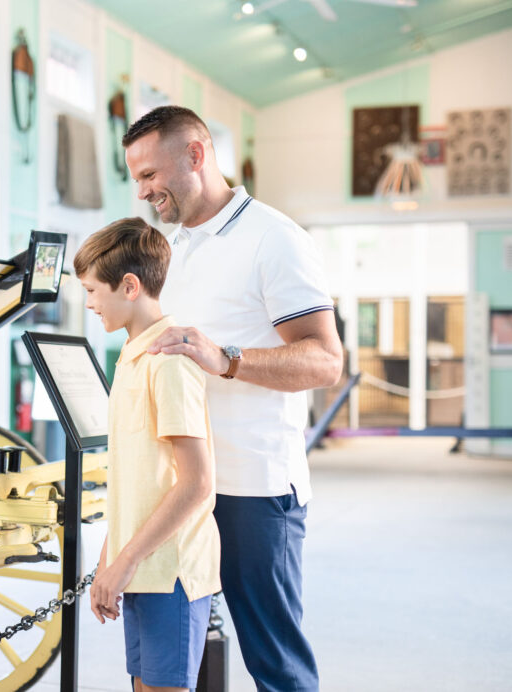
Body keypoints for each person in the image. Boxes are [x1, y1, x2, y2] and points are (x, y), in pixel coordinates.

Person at [122, 106, 343, 692]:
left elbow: (325, 359)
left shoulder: (275, 238)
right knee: (178, 654)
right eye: (136, 179)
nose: (143, 191)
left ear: (196, 154)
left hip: (255, 489)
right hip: (185, 486)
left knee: (273, 659)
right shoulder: (171, 246)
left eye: (150, 175)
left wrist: (229, 359)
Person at [76, 217, 221, 692]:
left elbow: (197, 483)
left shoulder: (169, 361)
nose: (89, 302)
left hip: (169, 571)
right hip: (140, 567)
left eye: (93, 290)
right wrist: (109, 560)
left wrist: (125, 561)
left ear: (130, 286)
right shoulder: (132, 357)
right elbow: (134, 479)